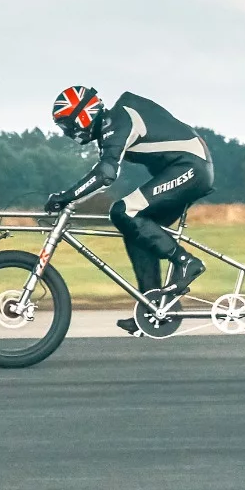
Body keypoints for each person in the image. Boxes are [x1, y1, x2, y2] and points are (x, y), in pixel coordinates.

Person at [46, 85, 216, 337]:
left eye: (67, 125)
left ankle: (186, 262)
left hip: (190, 167)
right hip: (186, 168)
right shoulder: (111, 128)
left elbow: (106, 174)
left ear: (83, 115)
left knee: (122, 211)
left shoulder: (119, 120)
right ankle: (153, 307)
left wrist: (67, 196)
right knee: (134, 228)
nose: (68, 132)